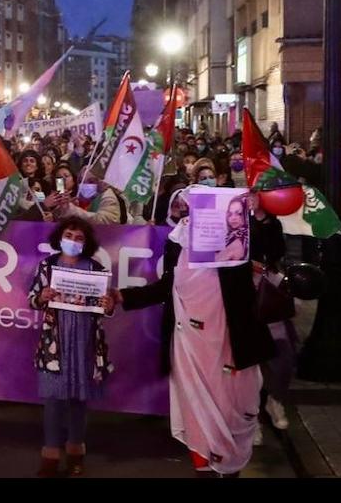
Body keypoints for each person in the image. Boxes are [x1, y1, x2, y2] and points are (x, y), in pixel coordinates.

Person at [115, 188, 275, 477]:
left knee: (231, 410)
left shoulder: (239, 244)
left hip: (230, 341)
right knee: (197, 412)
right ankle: (203, 467)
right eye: (188, 209)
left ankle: (229, 469)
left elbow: (268, 247)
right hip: (189, 343)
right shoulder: (178, 243)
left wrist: (258, 212)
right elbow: (168, 286)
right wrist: (123, 297)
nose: (193, 216)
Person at [27, 217, 116, 477]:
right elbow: (32, 299)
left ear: (86, 243)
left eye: (79, 238)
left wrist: (108, 305)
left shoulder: (97, 269)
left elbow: (105, 308)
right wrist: (41, 297)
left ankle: (76, 453)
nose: (73, 241)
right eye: (69, 235)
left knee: (79, 401)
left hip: (86, 341)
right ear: (60, 237)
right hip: (54, 343)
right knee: (53, 400)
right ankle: (50, 456)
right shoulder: (47, 266)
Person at [249, 202, 294, 443]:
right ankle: (251, 417)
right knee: (248, 360)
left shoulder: (274, 224)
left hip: (268, 287)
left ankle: (274, 399)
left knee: (281, 354)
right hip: (244, 289)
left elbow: (278, 253)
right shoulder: (239, 219)